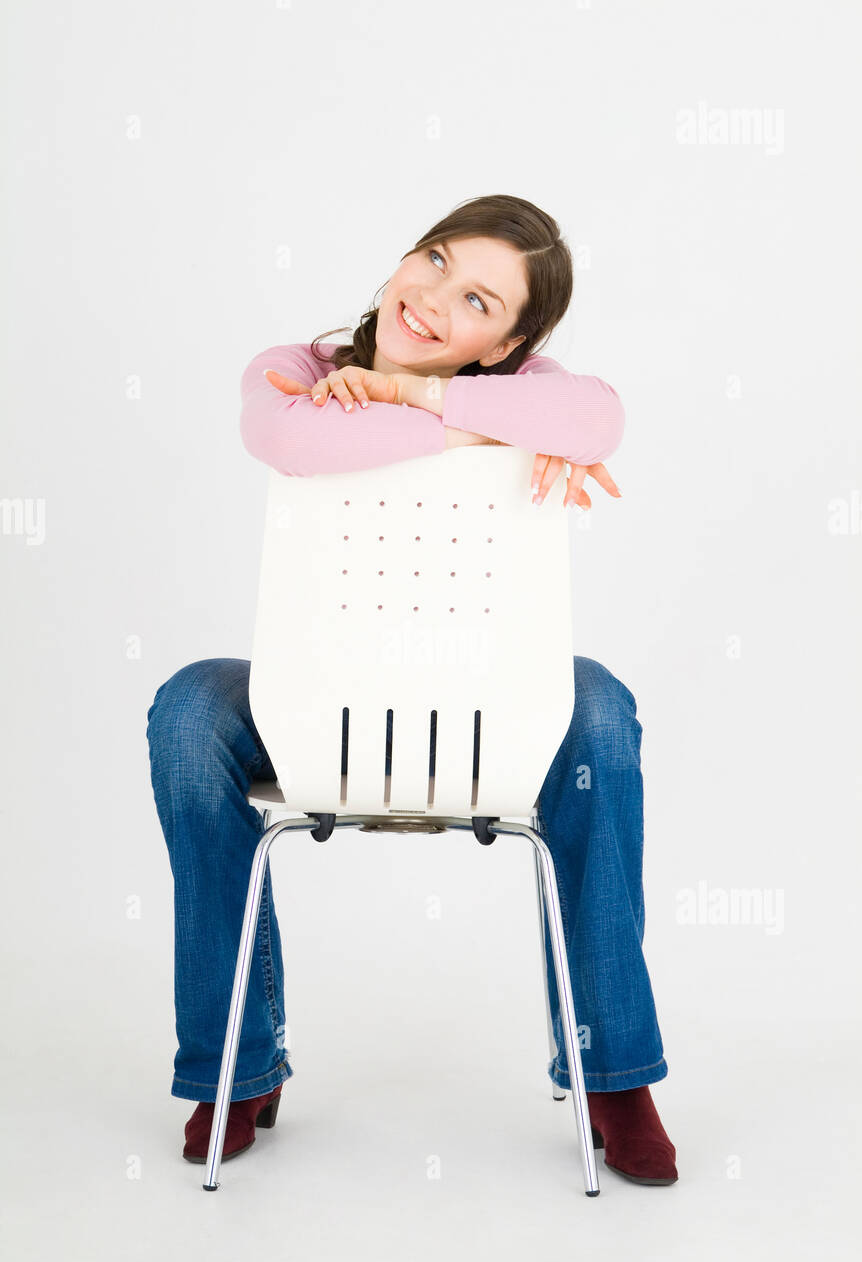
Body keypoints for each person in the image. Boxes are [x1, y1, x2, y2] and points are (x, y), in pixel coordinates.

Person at [147, 193, 677, 1185]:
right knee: (187, 711)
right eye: (432, 260)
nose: (430, 297)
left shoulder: (537, 388)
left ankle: (613, 1073)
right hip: (319, 694)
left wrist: (416, 400)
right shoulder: (299, 369)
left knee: (598, 707)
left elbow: (596, 419)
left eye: (474, 299)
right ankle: (234, 1063)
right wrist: (487, 436)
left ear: (507, 342)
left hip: (491, 698)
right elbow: (290, 439)